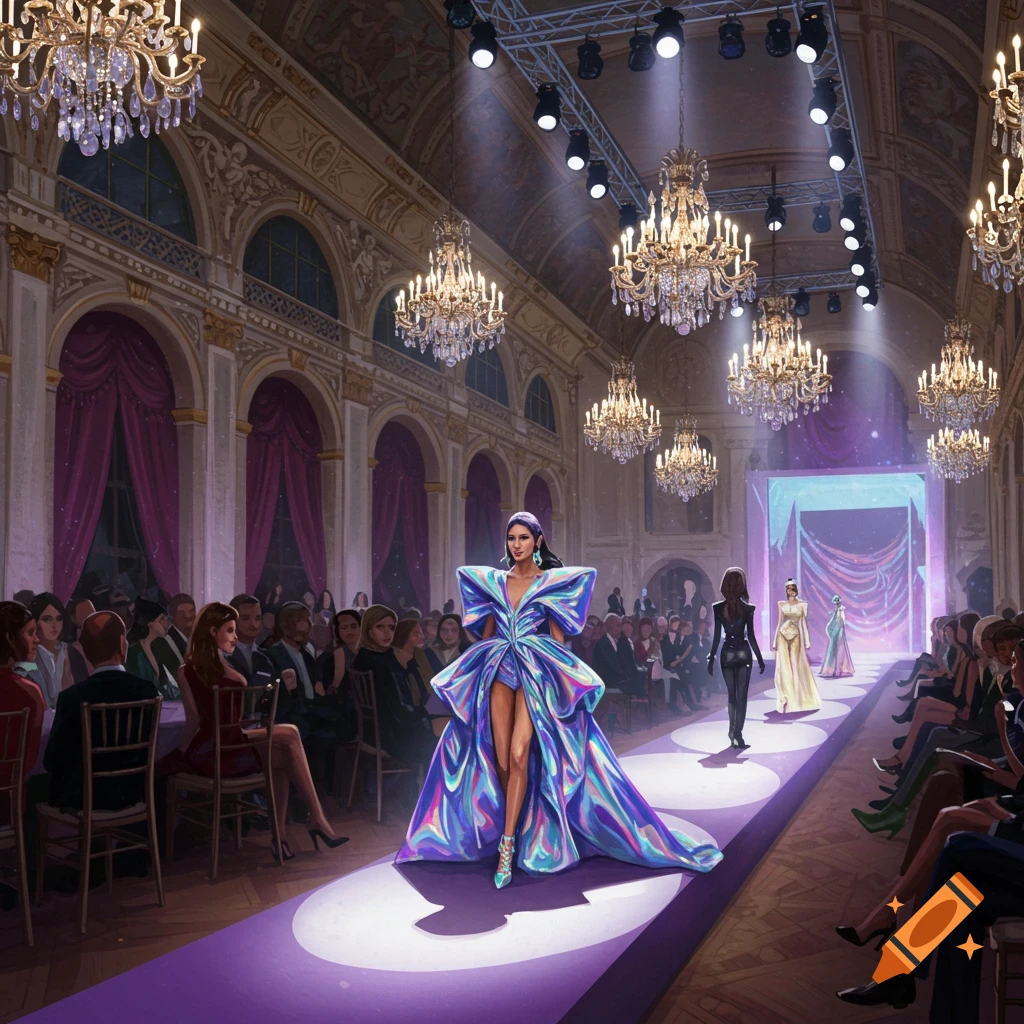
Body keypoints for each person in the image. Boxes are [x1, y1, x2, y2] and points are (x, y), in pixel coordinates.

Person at [395, 511, 722, 889]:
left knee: (520, 754)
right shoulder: (495, 582)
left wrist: (554, 674)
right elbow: (483, 635)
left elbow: (559, 639)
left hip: (534, 672)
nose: (516, 544)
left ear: (537, 541)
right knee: (500, 759)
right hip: (500, 666)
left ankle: (506, 846)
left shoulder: (550, 584)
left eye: (523, 538)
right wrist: (481, 657)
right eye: (511, 538)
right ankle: (513, 830)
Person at [174, 602, 346, 859]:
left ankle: (282, 838)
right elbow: (213, 722)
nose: (235, 637)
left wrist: (182, 750)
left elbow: (193, 721)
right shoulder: (227, 672)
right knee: (290, 733)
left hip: (213, 746)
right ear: (212, 632)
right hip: (226, 746)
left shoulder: (185, 670)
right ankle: (316, 820)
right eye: (230, 630)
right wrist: (181, 756)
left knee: (285, 756)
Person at [44, 611, 160, 811]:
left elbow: (53, 759)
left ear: (86, 652)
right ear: (123, 644)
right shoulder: (146, 690)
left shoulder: (72, 697)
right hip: (134, 792)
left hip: (85, 798)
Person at [350, 606, 438, 767]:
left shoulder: (363, 657)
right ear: (368, 629)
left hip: (374, 733)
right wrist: (426, 712)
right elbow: (400, 711)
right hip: (393, 736)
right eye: (380, 627)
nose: (387, 633)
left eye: (391, 628)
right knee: (448, 740)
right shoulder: (383, 664)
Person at [708, 567, 765, 749]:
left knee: (732, 696)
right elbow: (752, 636)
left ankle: (732, 732)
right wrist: (760, 658)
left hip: (726, 653)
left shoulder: (718, 608)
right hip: (742, 652)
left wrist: (710, 658)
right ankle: (737, 734)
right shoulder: (748, 608)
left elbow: (717, 636)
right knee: (742, 697)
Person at [0, 602, 45, 814]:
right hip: (8, 802)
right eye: (30, 632)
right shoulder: (30, 693)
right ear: (10, 638)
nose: (37, 639)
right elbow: (27, 763)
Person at [26, 592, 87, 708]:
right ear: (35, 622)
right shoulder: (29, 654)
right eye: (47, 619)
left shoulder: (72, 653)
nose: (55, 625)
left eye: (59, 619)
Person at [772, 579, 821, 714]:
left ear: (796, 589)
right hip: (782, 635)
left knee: (795, 664)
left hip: (796, 636)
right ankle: (786, 696)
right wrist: (775, 640)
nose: (791, 591)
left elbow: (804, 623)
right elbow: (779, 622)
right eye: (788, 589)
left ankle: (798, 698)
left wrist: (807, 640)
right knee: (784, 666)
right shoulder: (782, 604)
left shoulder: (802, 605)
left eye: (793, 588)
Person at [125, 598, 180, 700]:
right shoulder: (133, 653)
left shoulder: (158, 651)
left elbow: (171, 690)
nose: (167, 623)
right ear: (149, 622)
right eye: (162, 619)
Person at [226, 594, 278, 692]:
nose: (253, 624)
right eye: (245, 618)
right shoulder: (223, 656)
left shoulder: (266, 657)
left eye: (257, 618)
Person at [591, 613, 646, 698]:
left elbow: (629, 661)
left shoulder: (622, 641)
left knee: (641, 676)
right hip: (608, 679)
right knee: (635, 682)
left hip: (620, 677)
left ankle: (641, 704)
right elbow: (613, 667)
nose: (620, 629)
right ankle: (640, 704)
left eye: (620, 625)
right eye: (618, 626)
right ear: (608, 627)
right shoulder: (602, 645)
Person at [152, 593, 195, 674]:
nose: (188, 616)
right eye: (182, 613)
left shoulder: (198, 639)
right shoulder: (164, 644)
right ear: (173, 617)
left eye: (191, 611)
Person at [820, 594, 855, 678]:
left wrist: (836, 630)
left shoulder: (840, 610)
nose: (835, 605)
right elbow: (834, 620)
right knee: (833, 649)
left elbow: (841, 621)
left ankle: (838, 669)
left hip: (838, 631)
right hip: (835, 630)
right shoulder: (836, 611)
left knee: (838, 648)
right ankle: (832, 669)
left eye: (836, 604)